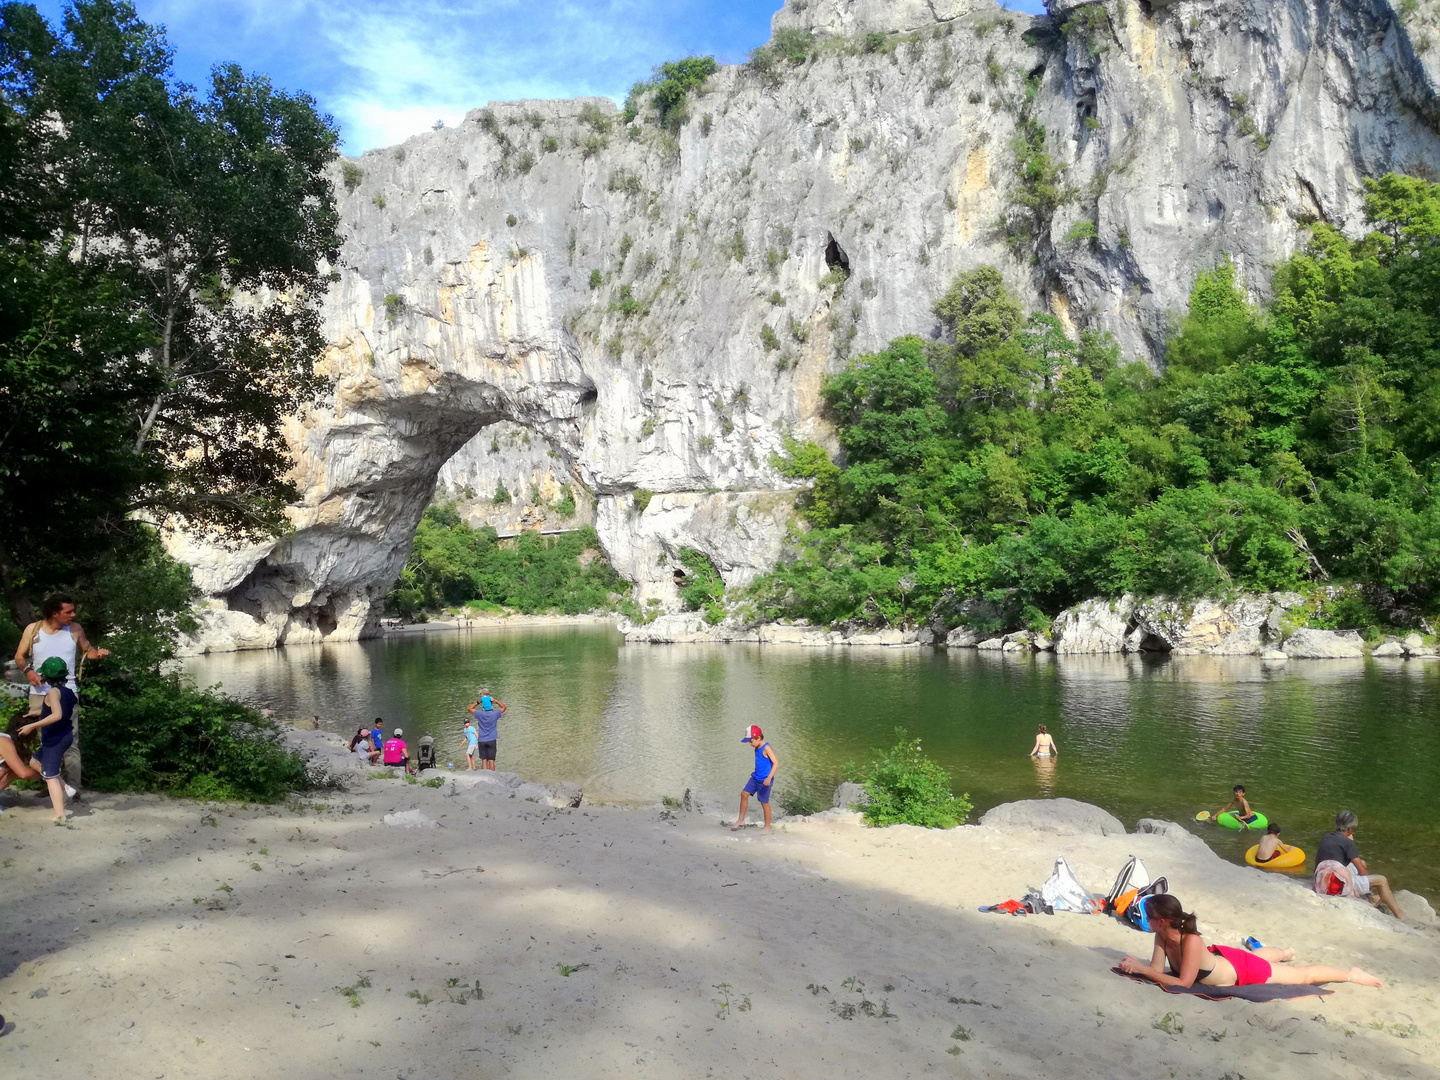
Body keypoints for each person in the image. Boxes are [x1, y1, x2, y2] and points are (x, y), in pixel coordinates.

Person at [1118, 893, 1382, 989]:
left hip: (1242, 971)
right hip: (1225, 960)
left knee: (1303, 977)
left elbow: (1184, 983)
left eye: (1149, 916)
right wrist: (1137, 966)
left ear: (1162, 920)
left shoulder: (1192, 941)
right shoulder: (1161, 935)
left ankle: (1352, 975)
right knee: (1260, 956)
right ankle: (1285, 951)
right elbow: (1155, 970)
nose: (1146, 920)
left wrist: (1142, 970)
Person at [13, 594, 108, 792]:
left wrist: (98, 653)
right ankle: (51, 784)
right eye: (68, 612)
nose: (73, 615)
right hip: (39, 694)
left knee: (70, 740)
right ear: (55, 613)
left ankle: (74, 788)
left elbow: (87, 651)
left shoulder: (74, 629)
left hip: (67, 693)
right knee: (44, 740)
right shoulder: (34, 630)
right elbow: (19, 657)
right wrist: (28, 671)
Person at [17, 657, 78, 822]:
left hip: (55, 740)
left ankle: (60, 816)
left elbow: (57, 715)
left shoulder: (52, 692)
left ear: (46, 676)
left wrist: (33, 725)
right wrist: (37, 714)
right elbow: (58, 710)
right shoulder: (68, 692)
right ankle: (66, 787)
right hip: (64, 736)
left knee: (50, 777)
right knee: (35, 763)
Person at [1314, 810, 1405, 920]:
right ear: (1352, 828)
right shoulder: (1348, 843)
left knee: (1362, 862)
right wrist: (1351, 842)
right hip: (1336, 886)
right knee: (1381, 880)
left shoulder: (1326, 837)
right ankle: (1399, 915)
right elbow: (1363, 872)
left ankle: (1371, 897)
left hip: (1321, 879)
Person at [732, 725, 779, 833]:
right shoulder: (756, 747)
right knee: (744, 794)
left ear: (758, 738)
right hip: (755, 777)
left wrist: (769, 778)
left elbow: (776, 763)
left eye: (751, 741)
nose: (750, 744)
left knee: (764, 802)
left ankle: (767, 827)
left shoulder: (766, 748)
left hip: (765, 780)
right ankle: (741, 820)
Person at [0, 709, 42, 809]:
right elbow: (24, 774)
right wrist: (45, 774)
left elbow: (30, 761)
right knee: (10, 768)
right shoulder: (4, 742)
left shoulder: (11, 743)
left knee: (14, 766)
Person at [467, 690, 506, 770]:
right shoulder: (495, 713)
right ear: (490, 704)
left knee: (484, 760)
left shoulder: (479, 713)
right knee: (491, 760)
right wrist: (495, 701)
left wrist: (478, 702)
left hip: (482, 740)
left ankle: (485, 777)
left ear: (483, 705)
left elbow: (469, 708)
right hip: (492, 739)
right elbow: (504, 707)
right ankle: (492, 778)